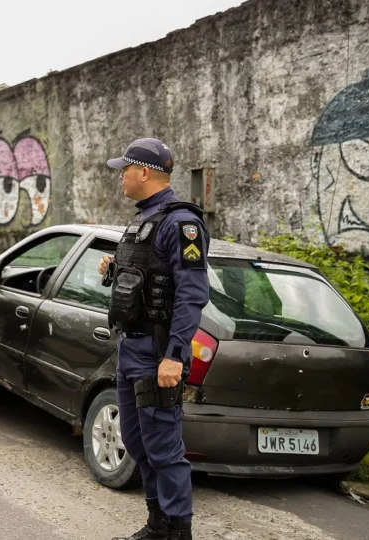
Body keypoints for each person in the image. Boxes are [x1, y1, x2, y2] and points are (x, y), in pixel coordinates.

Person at [98, 138, 209, 540]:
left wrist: (175, 356)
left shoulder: (182, 224)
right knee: (136, 440)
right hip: (131, 348)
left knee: (163, 448)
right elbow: (149, 279)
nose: (121, 177)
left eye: (125, 169)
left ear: (143, 172)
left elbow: (191, 294)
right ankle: (157, 524)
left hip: (158, 353)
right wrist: (114, 269)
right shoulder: (144, 219)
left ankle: (178, 530)